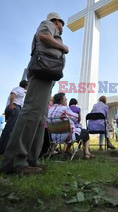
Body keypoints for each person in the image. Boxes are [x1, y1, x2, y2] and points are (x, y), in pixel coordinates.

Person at [1, 12, 69, 174]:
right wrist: (63, 47)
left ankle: (31, 160)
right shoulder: (48, 24)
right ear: (56, 21)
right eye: (62, 24)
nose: (62, 28)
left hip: (48, 74)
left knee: (40, 118)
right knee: (31, 113)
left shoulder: (53, 28)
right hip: (42, 71)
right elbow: (42, 36)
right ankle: (15, 162)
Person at [48, 93, 94, 159]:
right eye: (65, 99)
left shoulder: (50, 110)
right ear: (61, 100)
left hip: (54, 138)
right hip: (66, 137)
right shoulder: (64, 109)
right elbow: (75, 118)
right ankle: (87, 153)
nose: (66, 100)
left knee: (71, 130)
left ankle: (67, 150)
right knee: (85, 132)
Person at [0, 80, 28, 154]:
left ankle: (3, 148)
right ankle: (3, 149)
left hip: (13, 108)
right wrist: (11, 105)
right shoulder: (19, 89)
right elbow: (13, 94)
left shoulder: (21, 90)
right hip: (15, 108)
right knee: (10, 129)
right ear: (26, 86)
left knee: (9, 128)